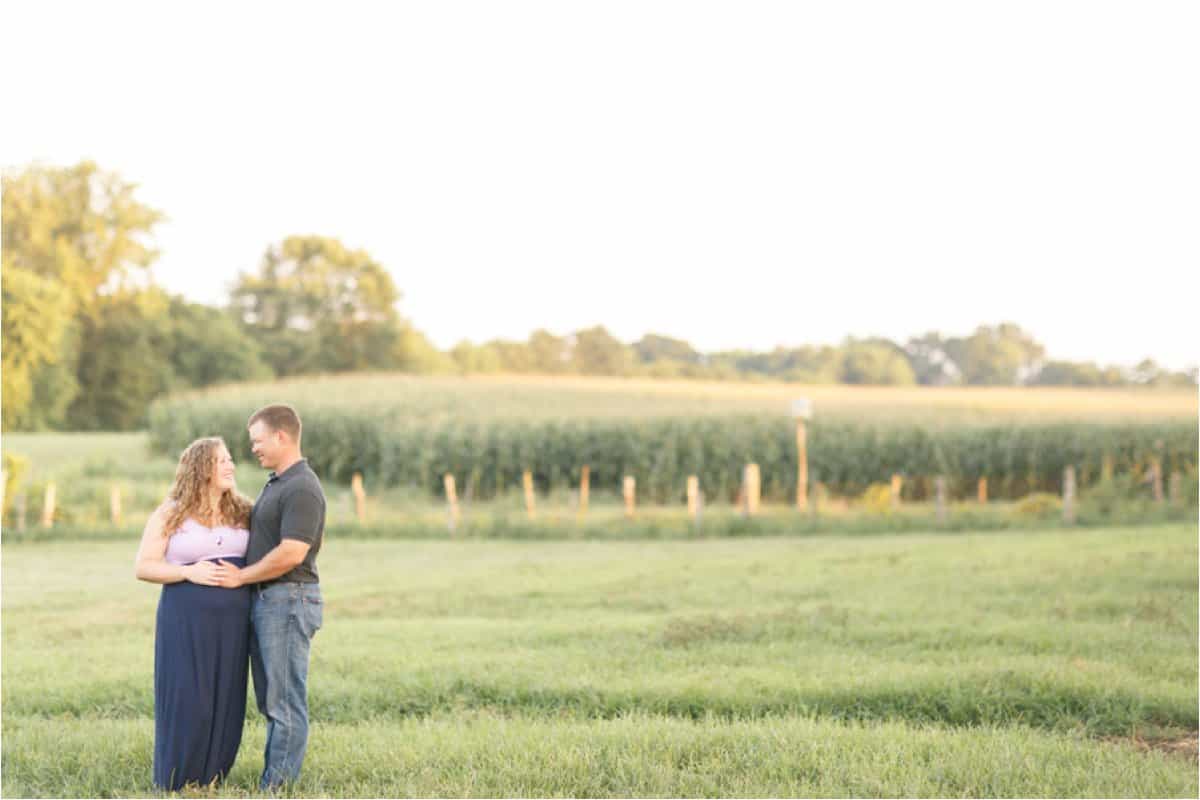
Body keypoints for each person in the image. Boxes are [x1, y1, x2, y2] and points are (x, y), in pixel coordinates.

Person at [216, 404, 325, 791]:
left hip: (289, 600)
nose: (254, 449)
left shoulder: (302, 487)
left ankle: (275, 789)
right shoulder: (278, 482)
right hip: (271, 601)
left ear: (281, 437)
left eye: (258, 441)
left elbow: (293, 552)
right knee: (272, 700)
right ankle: (274, 780)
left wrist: (241, 577)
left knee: (284, 702)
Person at [134, 437, 253, 791]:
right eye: (222, 461)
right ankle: (176, 777)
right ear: (201, 469)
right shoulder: (171, 513)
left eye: (230, 459)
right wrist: (188, 572)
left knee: (226, 696)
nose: (231, 466)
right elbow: (143, 567)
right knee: (189, 696)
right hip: (184, 620)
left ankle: (213, 776)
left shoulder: (244, 511)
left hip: (233, 622)